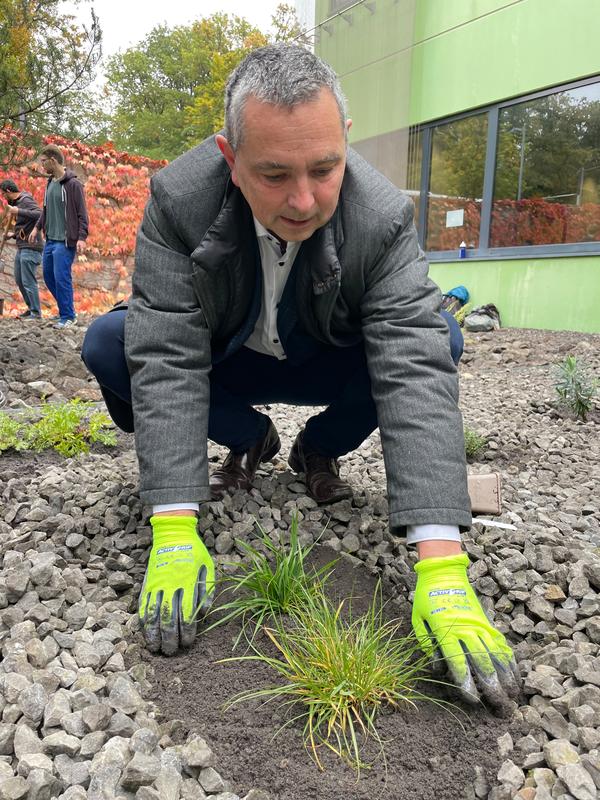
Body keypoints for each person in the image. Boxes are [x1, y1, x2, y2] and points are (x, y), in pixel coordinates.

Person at [82, 45, 520, 707]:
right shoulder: (179, 200)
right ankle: (249, 436)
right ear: (231, 162)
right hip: (225, 358)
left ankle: (321, 445)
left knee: (442, 333)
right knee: (113, 341)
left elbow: (412, 364)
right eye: (274, 174)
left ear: (345, 141)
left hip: (324, 355)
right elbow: (169, 352)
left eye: (324, 168)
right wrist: (173, 527)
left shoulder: (381, 216)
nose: (305, 199)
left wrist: (445, 568)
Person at [28, 144, 89, 329]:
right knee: (48, 276)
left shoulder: (73, 185)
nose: (42, 166)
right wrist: (36, 228)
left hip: (65, 241)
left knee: (62, 277)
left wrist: (81, 237)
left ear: (53, 160)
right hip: (50, 240)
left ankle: (68, 316)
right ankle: (66, 310)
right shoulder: (50, 183)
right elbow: (45, 210)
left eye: (44, 161)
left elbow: (82, 214)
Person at [0, 179, 43, 319]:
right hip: (22, 246)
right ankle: (31, 309)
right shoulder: (18, 202)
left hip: (31, 247)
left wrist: (18, 211)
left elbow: (40, 214)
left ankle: (36, 313)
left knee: (28, 280)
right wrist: (13, 234)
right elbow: (26, 224)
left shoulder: (25, 200)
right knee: (19, 279)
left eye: (3, 194)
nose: (3, 197)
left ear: (8, 191)